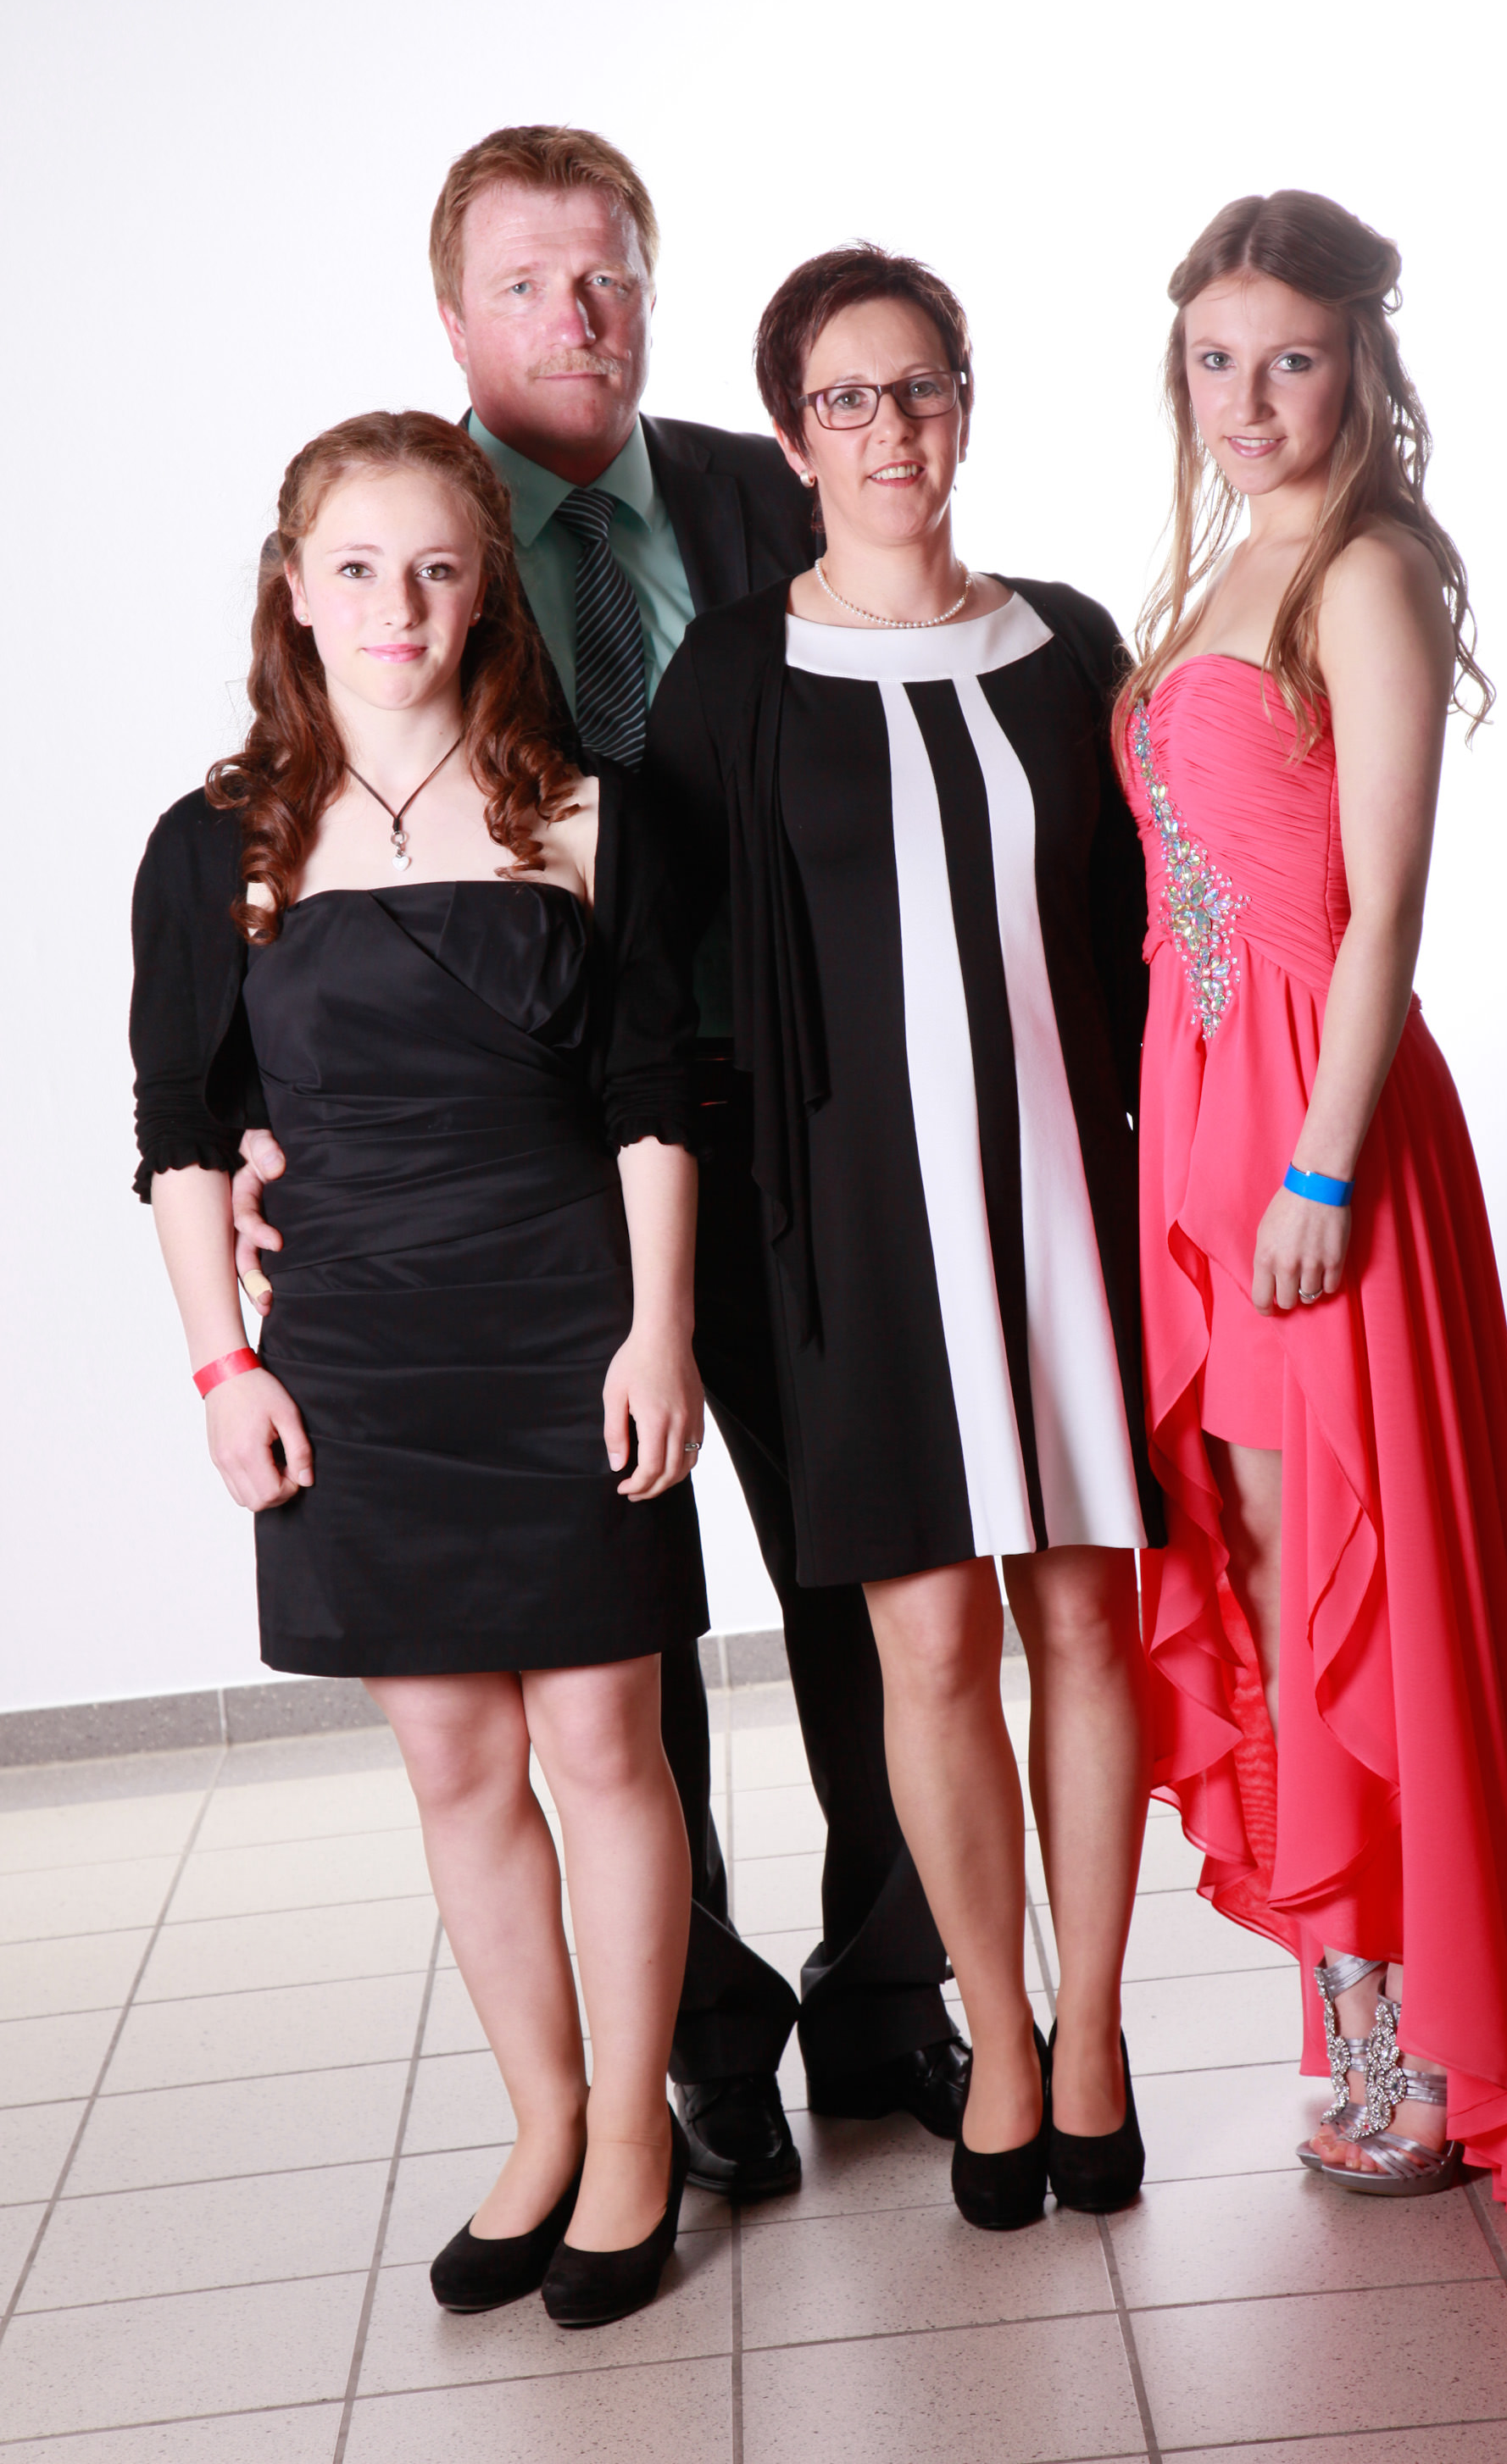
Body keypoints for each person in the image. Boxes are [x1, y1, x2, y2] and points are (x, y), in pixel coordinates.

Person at [226, 129, 965, 2204]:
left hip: (806, 1122)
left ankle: (888, 1987)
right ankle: (701, 2038)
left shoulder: (763, 491)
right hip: (555, 1184)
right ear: (451, 315)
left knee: (867, 1566)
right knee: (613, 1626)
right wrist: (274, 1106)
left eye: (610, 274)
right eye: (529, 282)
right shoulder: (405, 533)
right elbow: (297, 837)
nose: (578, 315)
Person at [1120, 190, 1507, 2217]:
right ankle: (1370, 2022)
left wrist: (1319, 1163)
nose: (1248, 396)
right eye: (1214, 358)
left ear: (1358, 363)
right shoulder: (1218, 567)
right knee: (1270, 1557)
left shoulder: (1364, 570)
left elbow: (1379, 913)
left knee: (1349, 1574)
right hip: (1205, 1115)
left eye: (1289, 356)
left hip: (1313, 1123)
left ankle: (1426, 2051)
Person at [132, 412, 705, 2323]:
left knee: (604, 1748)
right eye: (360, 568)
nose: (400, 605)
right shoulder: (215, 843)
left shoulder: (587, 812)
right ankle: (545, 2126)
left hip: (565, 1320)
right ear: (295, 590)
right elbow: (182, 1127)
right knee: (454, 1759)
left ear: (487, 593)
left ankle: (635, 2141)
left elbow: (649, 1096)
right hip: (356, 1351)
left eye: (439, 568)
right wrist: (223, 1369)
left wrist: (660, 1330)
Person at [643, 245, 1165, 2230]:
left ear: (966, 403)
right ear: (791, 439)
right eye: (844, 400)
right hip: (855, 1240)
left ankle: (1093, 2036)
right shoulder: (735, 674)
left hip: (1069, 1214)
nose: (889, 429)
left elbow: (1150, 943)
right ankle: (997, 2047)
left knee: (1087, 1625)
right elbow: (642, 972)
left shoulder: (1067, 646)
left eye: (919, 387)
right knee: (930, 1646)